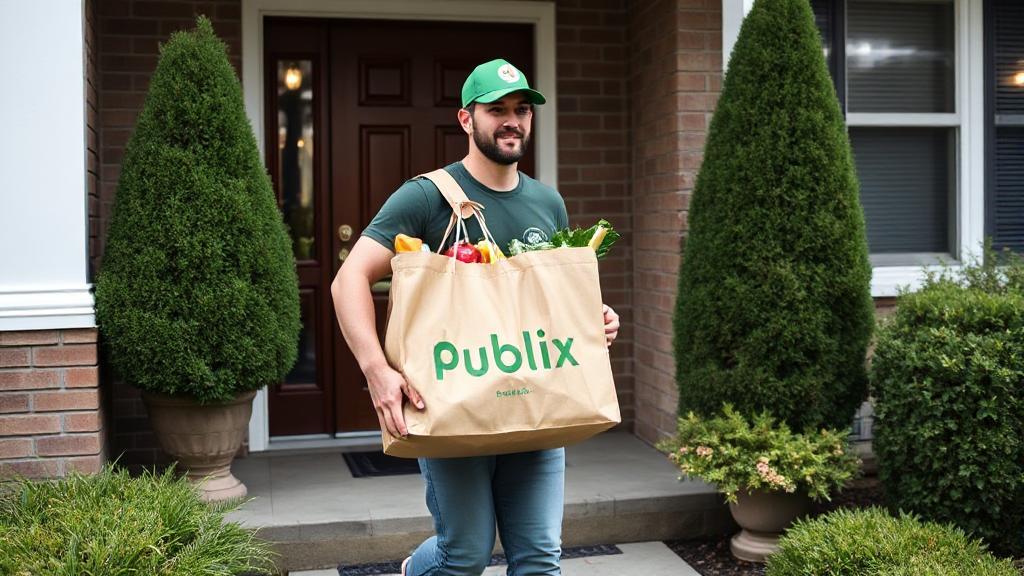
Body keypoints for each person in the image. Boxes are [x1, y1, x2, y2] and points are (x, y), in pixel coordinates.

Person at [331, 58, 620, 576]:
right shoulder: (427, 195)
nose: (513, 121)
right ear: (466, 119)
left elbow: (550, 301)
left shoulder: (547, 202)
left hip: (536, 401)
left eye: (522, 109)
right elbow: (348, 279)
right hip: (452, 400)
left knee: (539, 559)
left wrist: (593, 318)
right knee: (464, 556)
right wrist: (377, 370)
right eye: (497, 110)